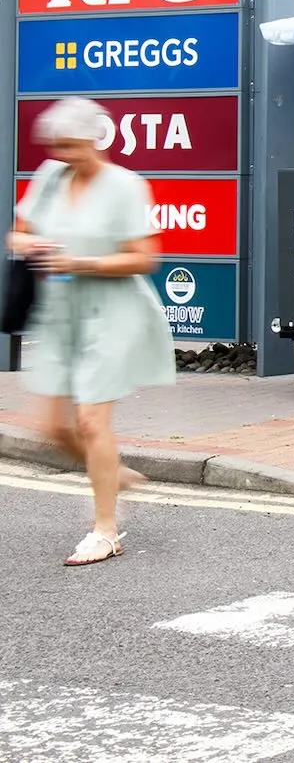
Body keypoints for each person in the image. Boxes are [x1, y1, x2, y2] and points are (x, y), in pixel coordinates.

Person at [7, 97, 173, 566]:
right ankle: (111, 470)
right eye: (56, 145)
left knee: (90, 421)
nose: (61, 154)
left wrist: (81, 261)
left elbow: (144, 257)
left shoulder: (125, 186)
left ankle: (105, 531)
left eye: (70, 145)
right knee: (53, 427)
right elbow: (17, 233)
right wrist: (32, 243)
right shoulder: (49, 177)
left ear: (92, 140)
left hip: (113, 310)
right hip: (60, 311)